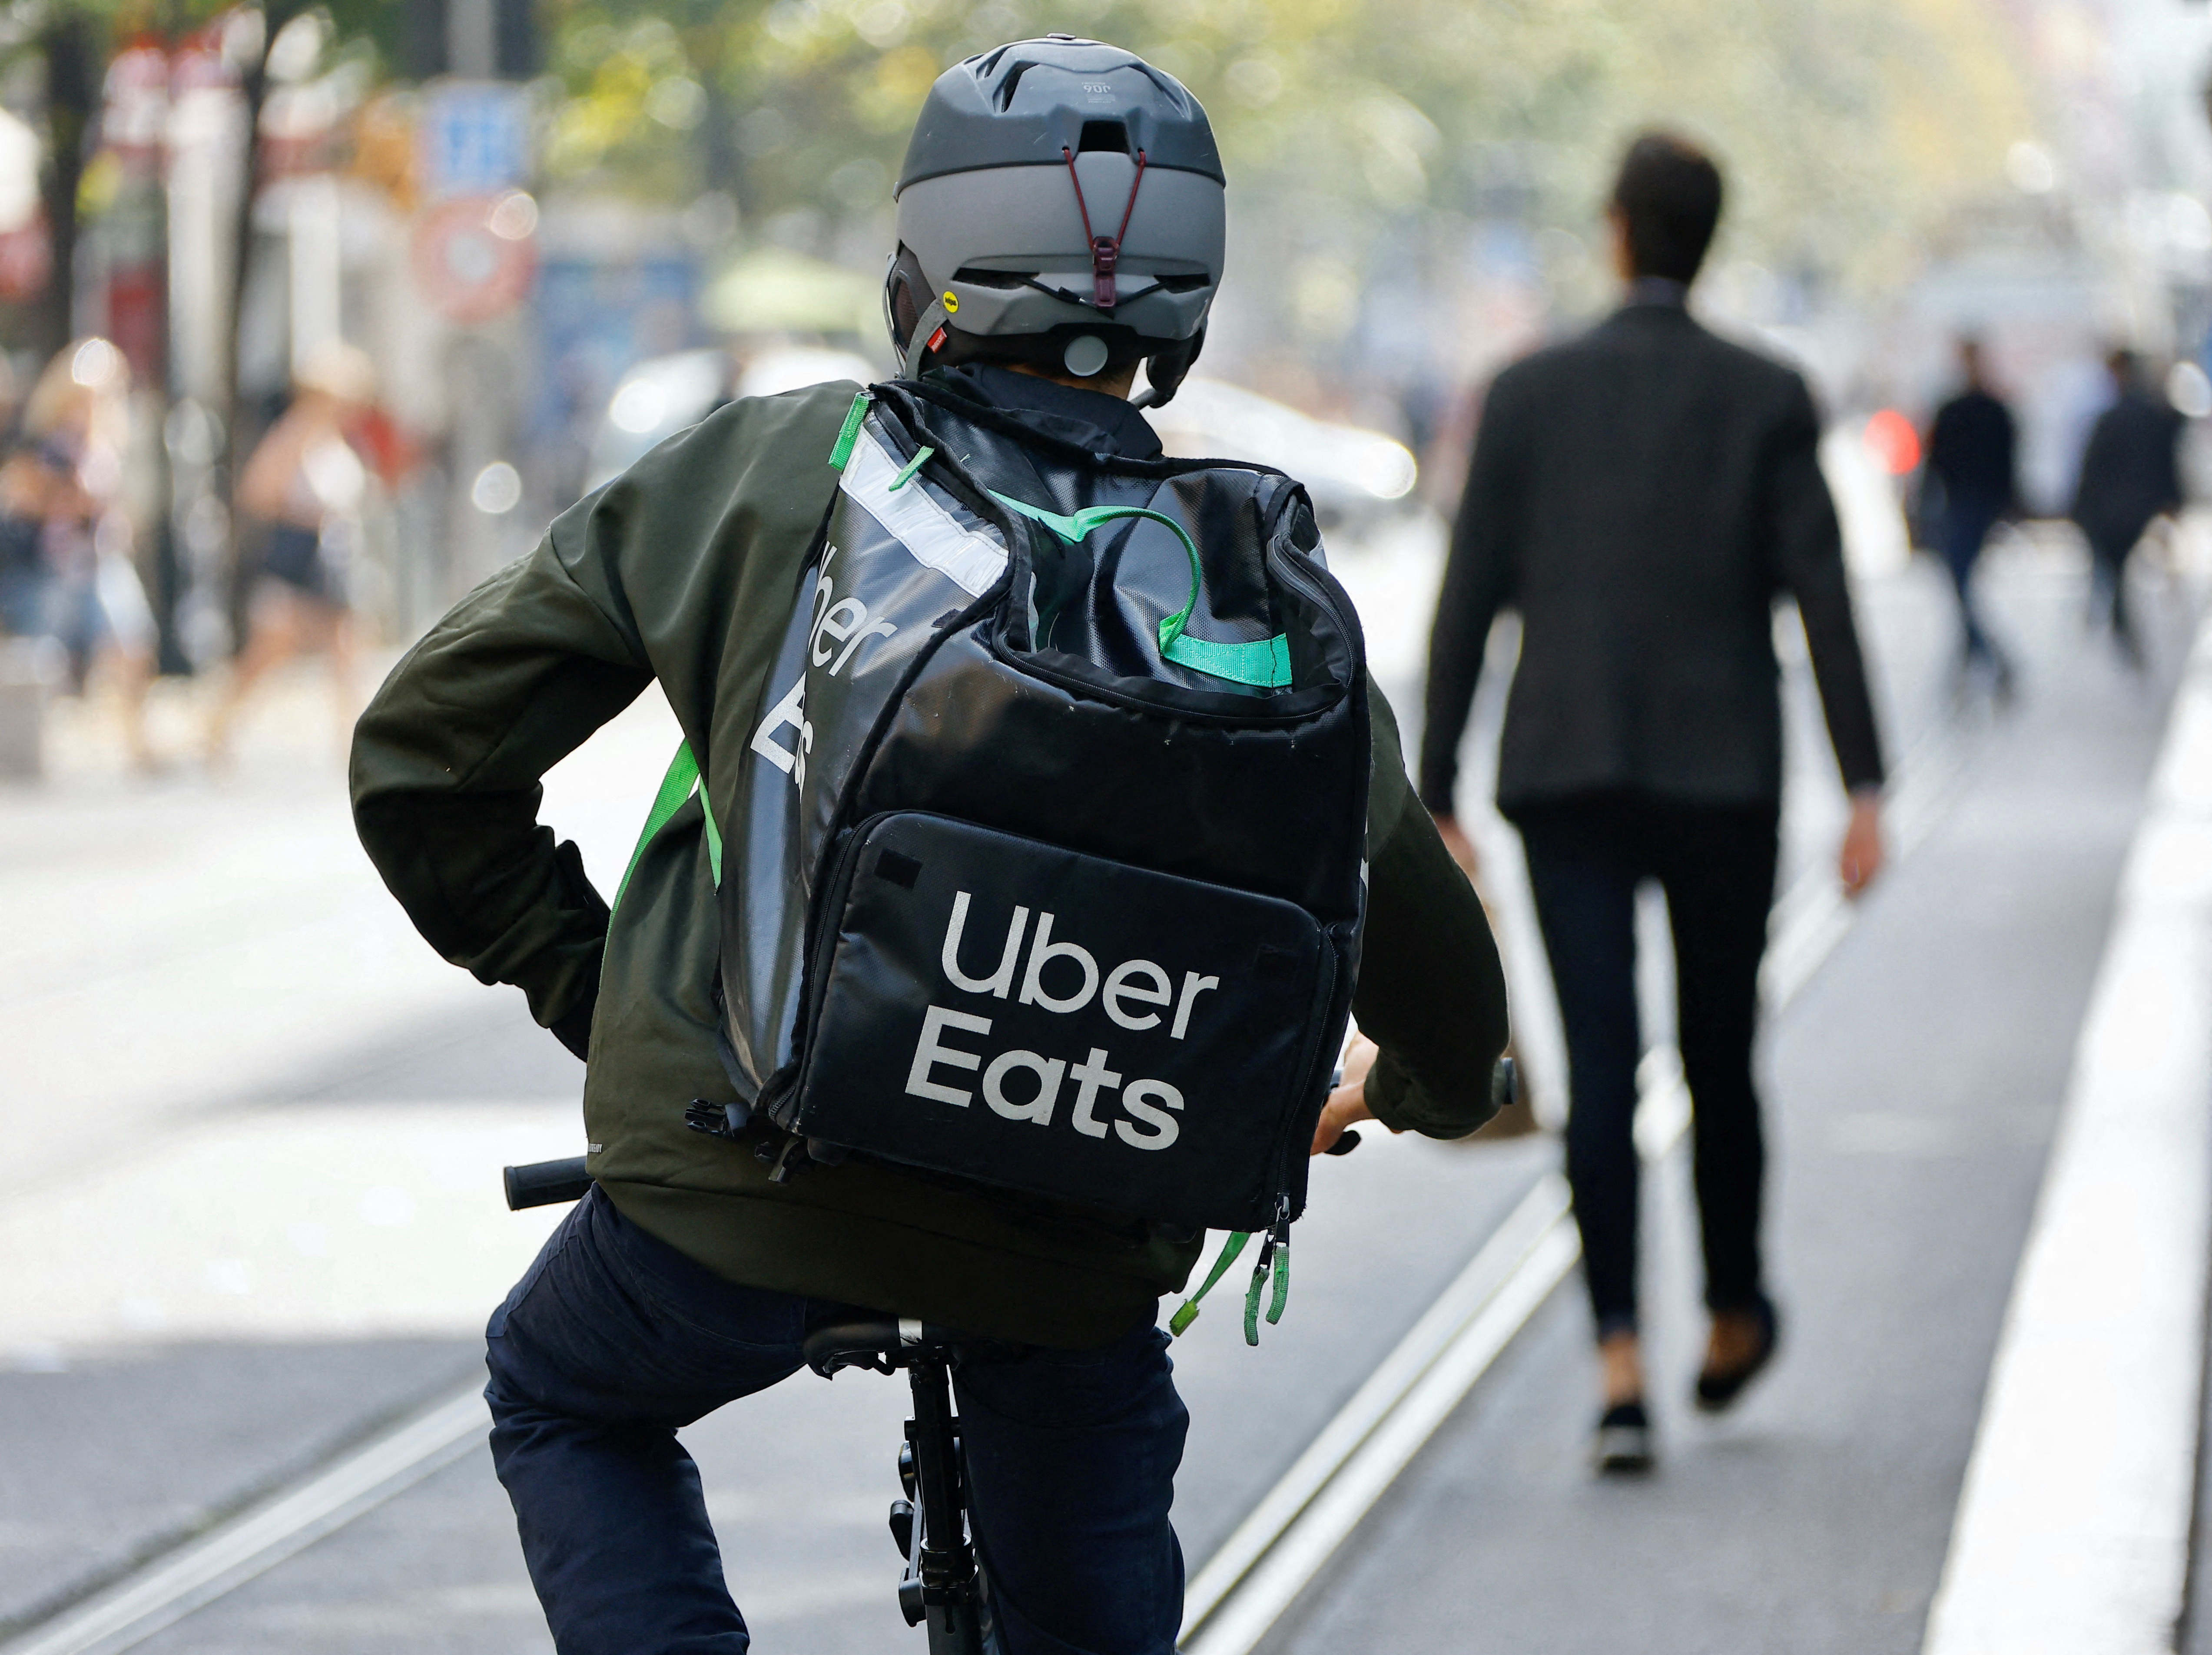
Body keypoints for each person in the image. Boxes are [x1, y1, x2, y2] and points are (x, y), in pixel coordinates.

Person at [351, 38, 1508, 1655]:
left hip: (731, 1185)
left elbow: (420, 761)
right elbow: (1449, 995)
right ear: (1182, 307)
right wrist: (1406, 1091)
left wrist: (599, 991)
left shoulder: (769, 470)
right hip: (1066, 1242)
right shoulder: (1241, 590)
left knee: (565, 1397)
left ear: (921, 271)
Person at [1419, 132, 1887, 1473]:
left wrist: (1437, 784)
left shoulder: (1523, 392)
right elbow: (1823, 596)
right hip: (1719, 774)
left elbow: (1468, 599)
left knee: (1601, 1068)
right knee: (1719, 1056)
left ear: (1616, 229)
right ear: (1708, 235)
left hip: (1562, 774)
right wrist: (1863, 781)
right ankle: (1732, 1311)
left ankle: (1618, 1359)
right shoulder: (1767, 393)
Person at [206, 338, 376, 766]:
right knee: (268, 655)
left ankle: (355, 746)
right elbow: (257, 493)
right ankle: (217, 729)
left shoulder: (337, 438)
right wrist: (302, 512)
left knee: (347, 651)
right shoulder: (294, 434)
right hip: (295, 558)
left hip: (333, 559)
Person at [0, 339, 160, 771]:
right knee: (43, 655)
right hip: (49, 565)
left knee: (130, 643)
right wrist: (72, 498)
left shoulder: (108, 442)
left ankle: (137, 743)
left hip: (99, 559)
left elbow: (117, 502)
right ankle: (33, 748)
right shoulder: (40, 441)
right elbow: (24, 494)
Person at [2071, 348, 2185, 667]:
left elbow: (2092, 469)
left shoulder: (2116, 417)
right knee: (2117, 575)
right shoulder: (2149, 413)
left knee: (2116, 575)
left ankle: (2123, 632)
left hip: (2114, 511)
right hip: (2136, 509)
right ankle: (2123, 633)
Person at [1922, 338, 2019, 694]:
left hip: (1972, 507)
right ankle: (1975, 656)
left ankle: (1986, 656)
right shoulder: (1961, 408)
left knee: (1961, 584)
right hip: (1962, 504)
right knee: (1960, 584)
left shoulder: (1988, 409)